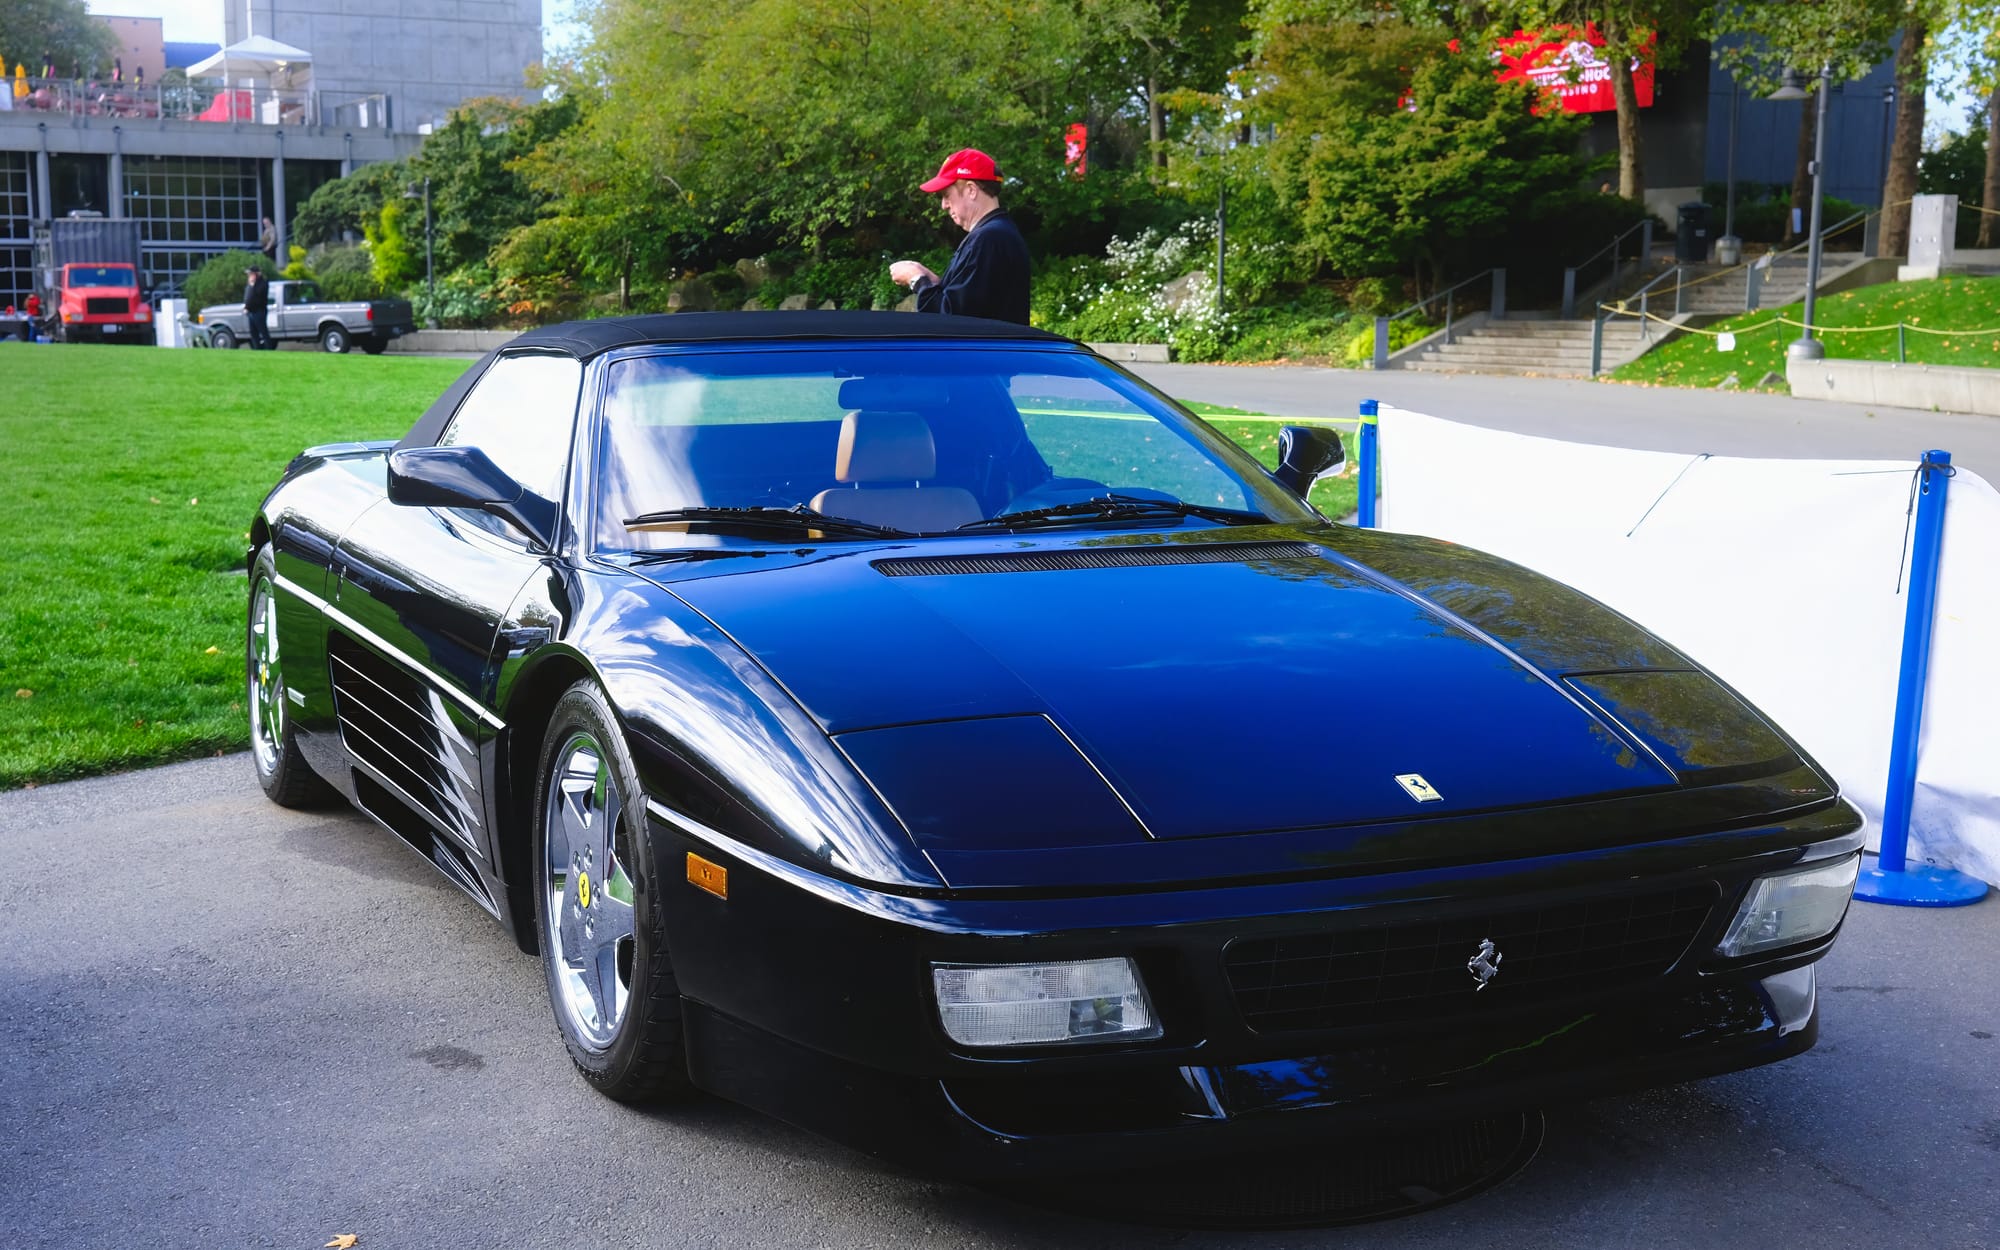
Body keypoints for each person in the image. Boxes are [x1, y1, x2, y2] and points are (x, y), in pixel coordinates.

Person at [888, 148, 1030, 324]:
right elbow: (970, 305)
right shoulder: (999, 232)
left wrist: (916, 280)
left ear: (971, 190)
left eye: (946, 195)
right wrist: (933, 283)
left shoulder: (989, 238)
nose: (944, 205)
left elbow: (953, 321)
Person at [244, 267, 273, 350]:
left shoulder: (263, 283)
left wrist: (253, 285)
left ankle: (269, 348)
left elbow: (257, 295)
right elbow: (248, 297)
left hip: (259, 311)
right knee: (253, 333)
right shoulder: (250, 285)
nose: (249, 276)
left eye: (251, 274)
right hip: (251, 311)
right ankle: (257, 349)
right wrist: (246, 307)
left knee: (263, 332)